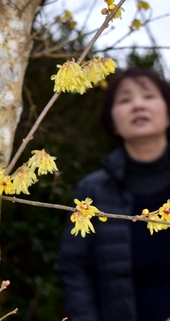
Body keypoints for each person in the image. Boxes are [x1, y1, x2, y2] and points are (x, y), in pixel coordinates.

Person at [58, 67, 170, 321]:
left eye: (149, 96)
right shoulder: (93, 190)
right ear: (112, 121)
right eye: (125, 99)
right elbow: (74, 268)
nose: (138, 105)